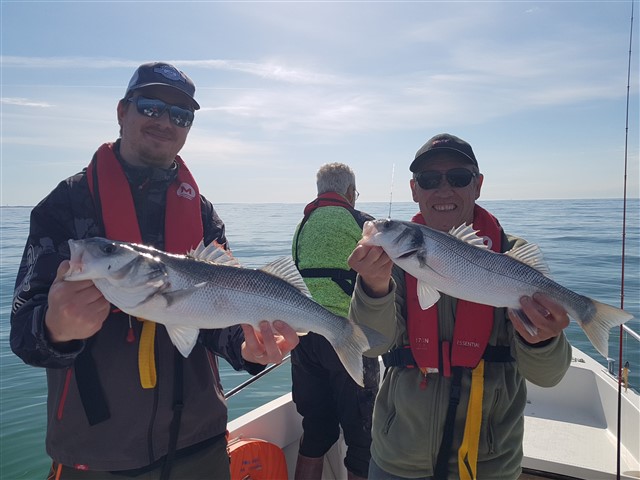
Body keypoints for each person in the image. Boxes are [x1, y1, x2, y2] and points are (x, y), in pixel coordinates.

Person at [10, 61, 299, 480]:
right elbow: (23, 332)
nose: (165, 122)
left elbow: (218, 315)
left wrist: (248, 348)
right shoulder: (64, 207)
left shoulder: (201, 213)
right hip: (97, 454)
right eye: (150, 107)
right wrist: (55, 327)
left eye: (181, 116)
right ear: (122, 111)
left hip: (201, 443)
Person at [347, 133, 572, 480]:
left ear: (477, 185)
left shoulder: (511, 257)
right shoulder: (391, 261)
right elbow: (371, 344)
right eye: (429, 179)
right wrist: (374, 287)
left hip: (489, 466)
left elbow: (548, 376)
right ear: (414, 189)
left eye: (458, 177)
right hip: (398, 460)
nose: (443, 190)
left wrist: (543, 339)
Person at [291, 163, 380, 480]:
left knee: (315, 429)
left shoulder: (303, 225)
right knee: (362, 438)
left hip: (305, 339)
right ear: (350, 193)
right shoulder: (363, 224)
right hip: (347, 337)